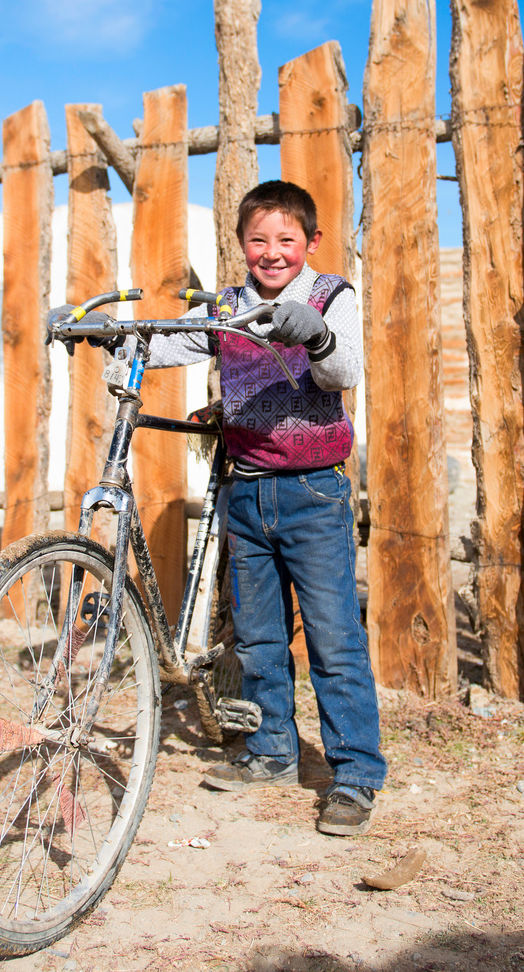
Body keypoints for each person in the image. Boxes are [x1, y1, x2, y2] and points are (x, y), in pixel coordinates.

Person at [148, 179, 386, 836]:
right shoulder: (227, 306)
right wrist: (117, 338)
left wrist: (316, 338)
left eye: (286, 239)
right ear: (241, 246)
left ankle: (356, 773)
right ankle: (273, 752)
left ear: (310, 242)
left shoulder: (329, 296)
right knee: (256, 640)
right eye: (259, 240)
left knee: (334, 640)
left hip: (314, 494)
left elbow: (344, 374)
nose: (272, 252)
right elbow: (174, 342)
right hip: (246, 492)